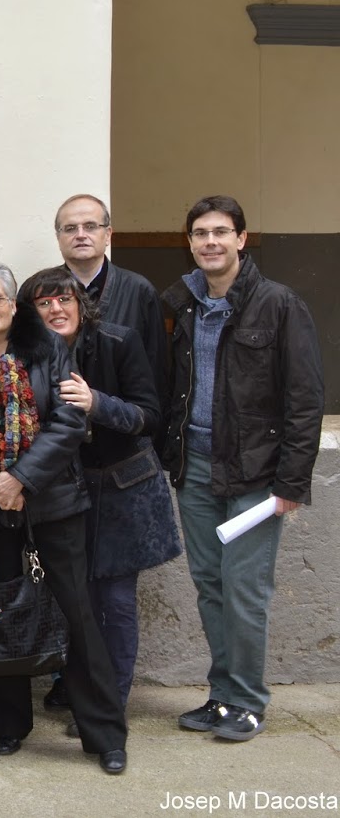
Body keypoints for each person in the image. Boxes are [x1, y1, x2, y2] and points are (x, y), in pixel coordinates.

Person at [0, 260, 129, 774]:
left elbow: (68, 421)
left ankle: (103, 733)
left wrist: (22, 477)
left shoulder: (48, 348)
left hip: (54, 505)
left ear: (13, 304)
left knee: (77, 615)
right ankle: (6, 726)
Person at [160, 195, 323, 743]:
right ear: (190, 243)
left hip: (256, 474)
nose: (210, 241)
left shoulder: (279, 305)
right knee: (210, 585)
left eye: (221, 232)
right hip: (198, 469)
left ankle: (248, 701)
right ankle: (222, 695)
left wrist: (291, 482)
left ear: (241, 240)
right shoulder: (182, 305)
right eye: (200, 233)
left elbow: (305, 400)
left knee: (245, 587)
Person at [20, 266, 181, 729]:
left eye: (64, 300)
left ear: (81, 305)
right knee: (72, 597)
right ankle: (76, 686)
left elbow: (150, 415)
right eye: (44, 302)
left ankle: (110, 705)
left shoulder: (118, 340)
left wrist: (97, 403)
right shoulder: (26, 353)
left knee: (113, 602)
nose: (55, 309)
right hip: (63, 491)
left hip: (122, 488)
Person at [53, 193, 168, 415]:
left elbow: (157, 373)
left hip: (124, 435)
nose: (80, 235)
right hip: (59, 433)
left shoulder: (139, 291)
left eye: (90, 226)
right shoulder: (40, 292)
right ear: (58, 238)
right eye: (70, 228)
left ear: (108, 234)